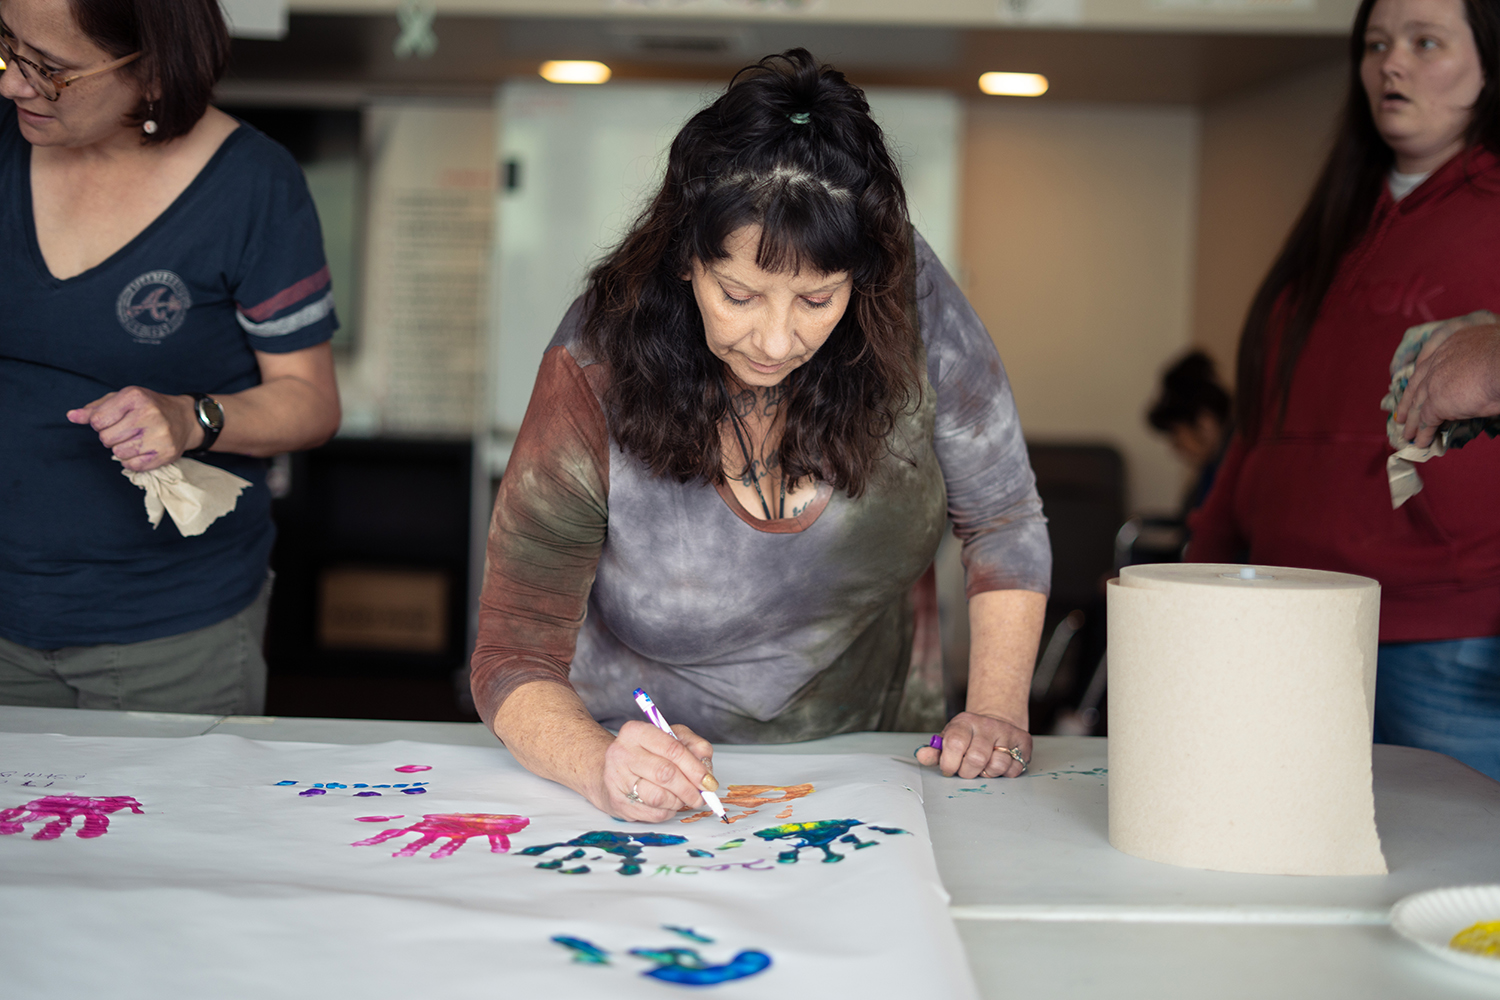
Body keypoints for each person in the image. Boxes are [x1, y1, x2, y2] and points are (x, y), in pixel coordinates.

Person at [470, 50, 1051, 822]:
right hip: (637, 760)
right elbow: (513, 649)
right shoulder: (596, 363)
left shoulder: (909, 303)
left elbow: (1003, 519)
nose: (777, 342)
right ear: (686, 259)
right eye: (740, 295)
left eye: (817, 300)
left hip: (875, 762)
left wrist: (998, 713)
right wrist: (598, 764)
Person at [0, 0, 341, 714]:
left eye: (50, 69)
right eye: (7, 45)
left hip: (167, 631)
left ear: (154, 71)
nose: (13, 83)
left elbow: (310, 401)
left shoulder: (251, 187)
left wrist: (192, 418)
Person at [1188, 0, 1500, 779]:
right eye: (1376, 44)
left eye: (1426, 43)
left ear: (1490, 63)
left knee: (1449, 857)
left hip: (1443, 633)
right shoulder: (1337, 216)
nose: (1392, 63)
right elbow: (1262, 426)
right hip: (1288, 615)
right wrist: (1200, 564)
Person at [1146, 350, 1231, 517]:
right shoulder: (1211, 469)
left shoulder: (1233, 470)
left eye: (1176, 434)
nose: (1175, 447)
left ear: (1205, 423)